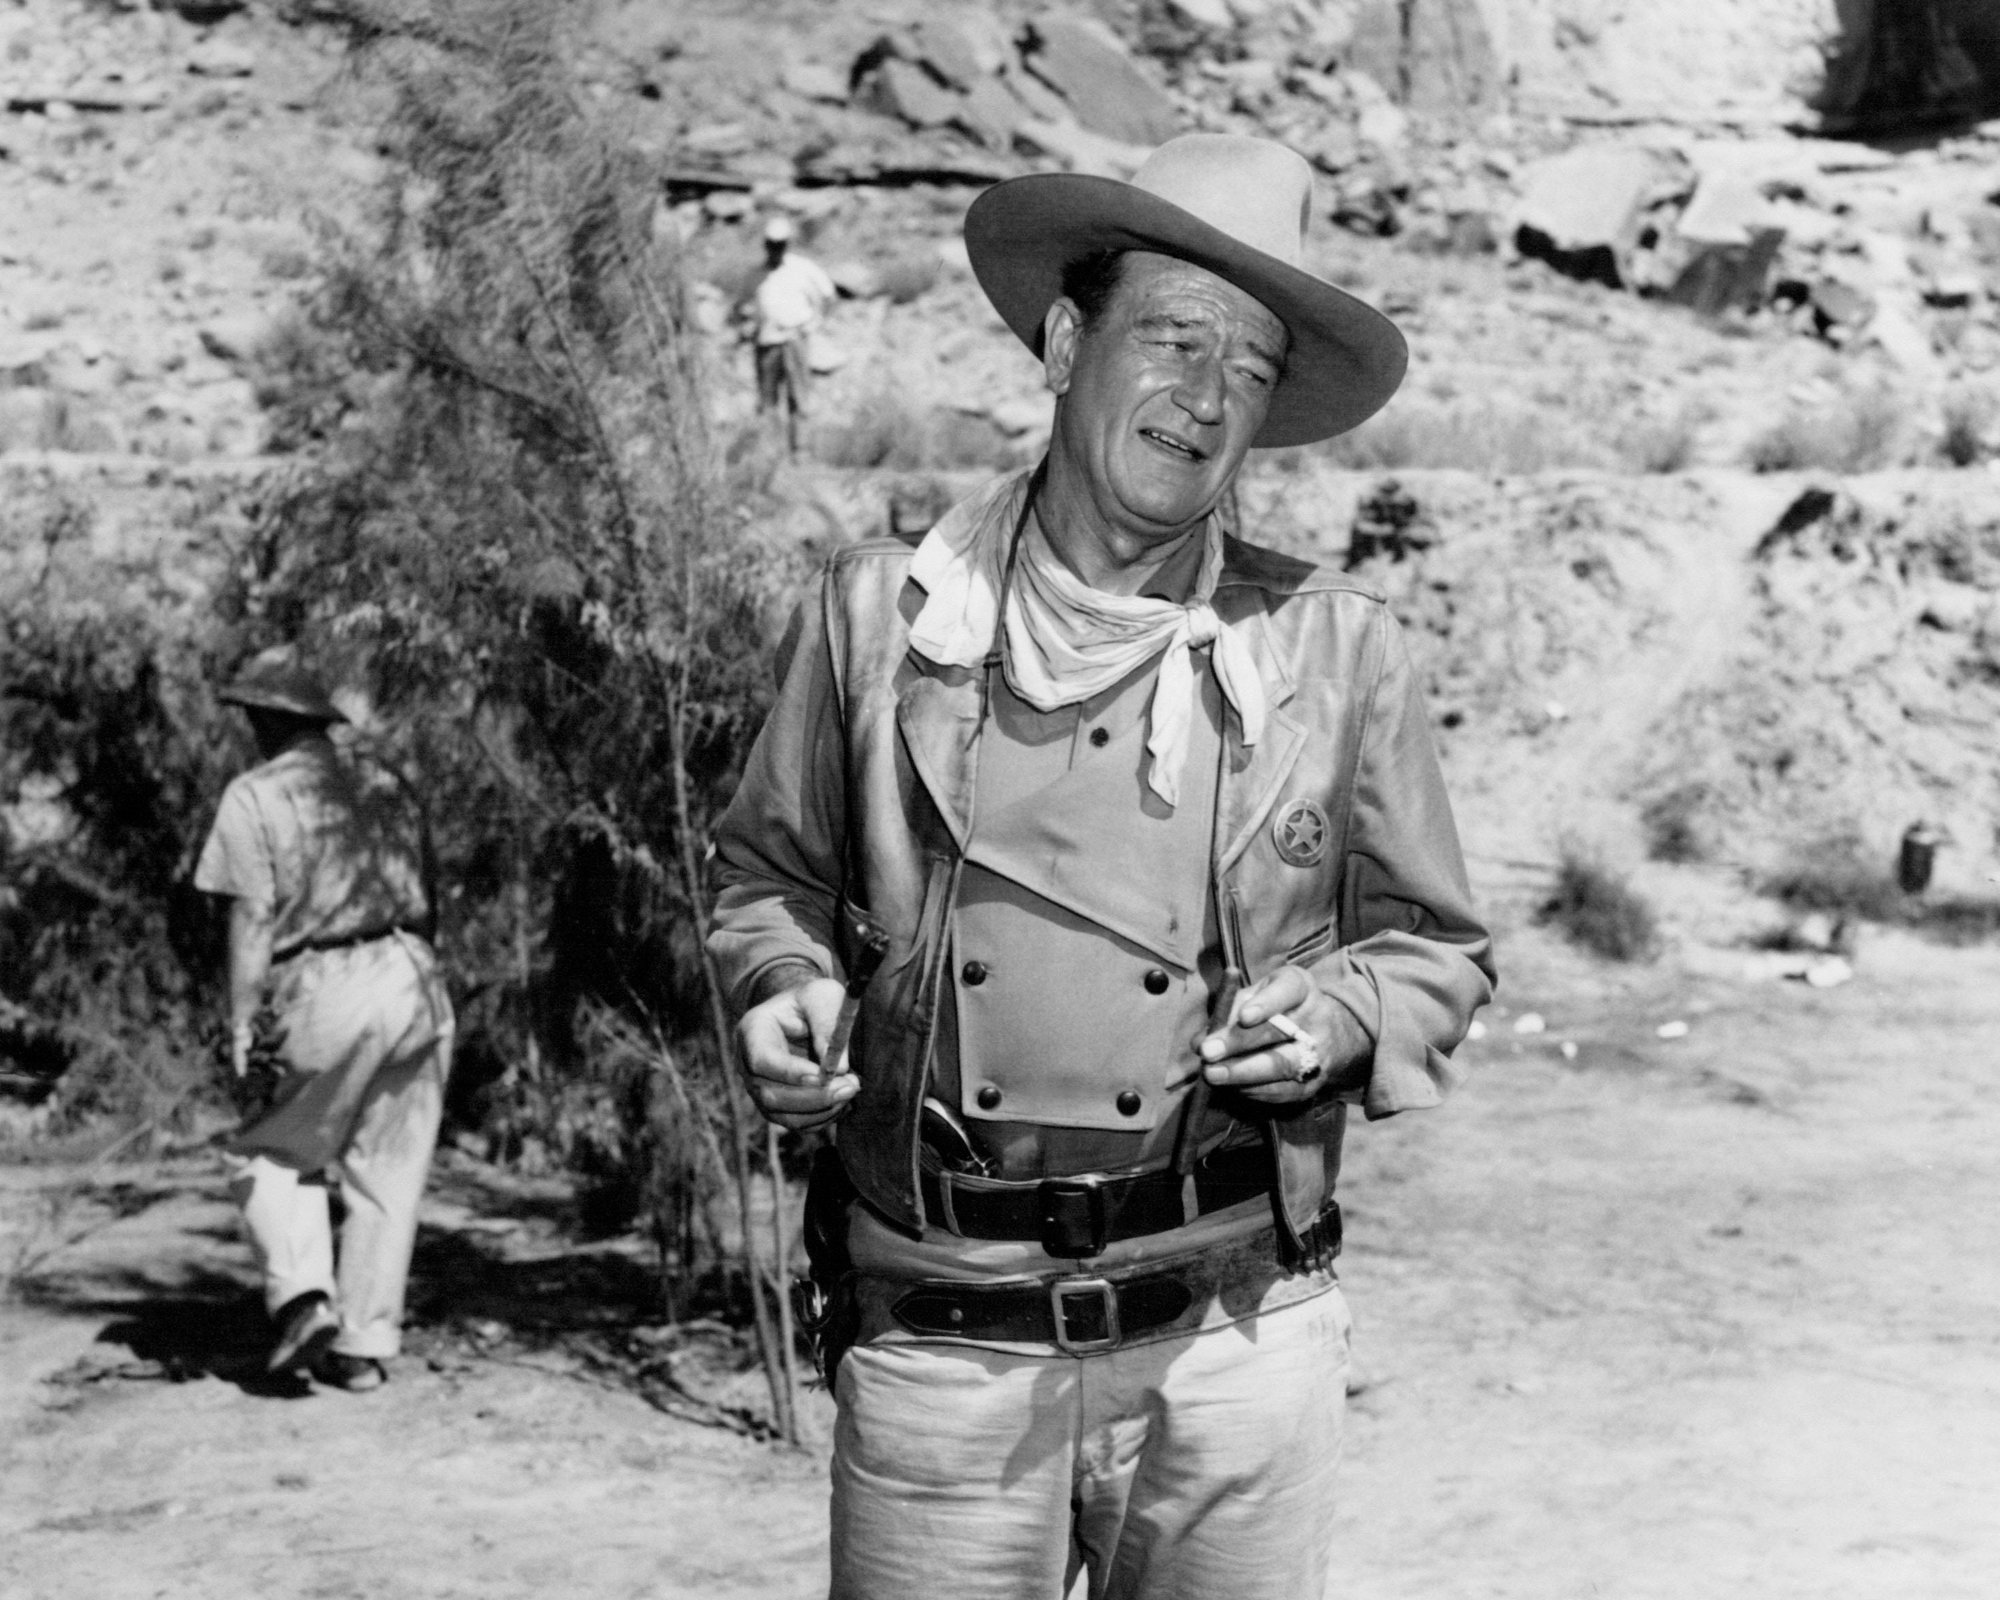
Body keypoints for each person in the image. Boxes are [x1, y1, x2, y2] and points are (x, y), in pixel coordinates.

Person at [709, 133, 1495, 1598]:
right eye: (1176, 339)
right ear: (1068, 342)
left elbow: (1438, 952)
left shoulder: (1334, 651)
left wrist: (1337, 1022)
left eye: (1251, 369)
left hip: (1232, 1347)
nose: (1207, 398)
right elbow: (766, 882)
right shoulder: (877, 628)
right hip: (944, 1347)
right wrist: (778, 986)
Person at [195, 649, 454, 1392]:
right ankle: (364, 1350)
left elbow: (251, 913)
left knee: (268, 1152)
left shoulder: (254, 796)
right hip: (417, 974)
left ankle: (306, 1300)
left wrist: (243, 1019)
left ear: (270, 720)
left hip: (329, 978)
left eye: (251, 717)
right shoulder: (387, 782)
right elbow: (430, 896)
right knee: (388, 1170)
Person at [745, 214, 836, 453]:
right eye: (772, 244)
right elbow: (743, 304)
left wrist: (815, 323)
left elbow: (828, 296)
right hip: (766, 340)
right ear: (765, 244)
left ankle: (800, 451)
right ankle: (769, 453)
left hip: (795, 338)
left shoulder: (803, 269)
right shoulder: (755, 274)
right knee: (767, 400)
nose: (775, 249)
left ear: (787, 244)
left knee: (799, 397)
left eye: (780, 244)